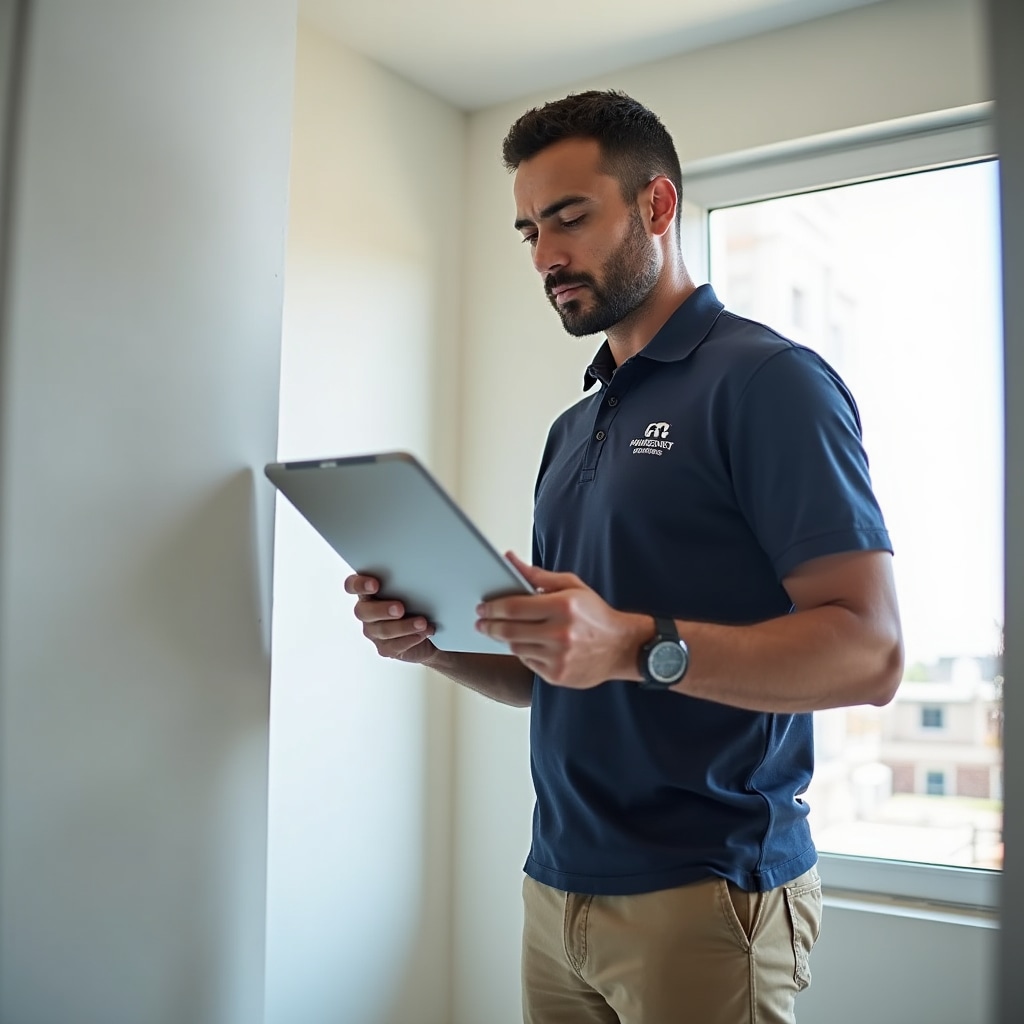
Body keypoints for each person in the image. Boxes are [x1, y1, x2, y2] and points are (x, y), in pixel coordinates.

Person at [345, 90, 903, 1024]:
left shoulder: (769, 383)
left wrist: (635, 642)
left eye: (569, 218)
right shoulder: (574, 428)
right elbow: (566, 673)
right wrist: (436, 643)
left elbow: (871, 654)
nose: (545, 255)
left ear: (656, 206)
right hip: (556, 888)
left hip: (708, 895)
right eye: (528, 230)